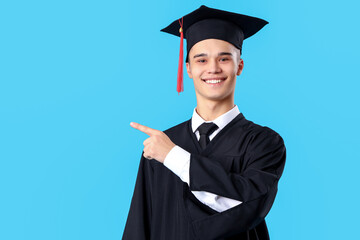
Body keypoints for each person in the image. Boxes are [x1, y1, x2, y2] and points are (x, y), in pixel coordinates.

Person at [123, 5, 286, 240]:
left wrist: (174, 158)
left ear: (239, 65)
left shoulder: (263, 143)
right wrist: (166, 153)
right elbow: (139, 227)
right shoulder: (160, 145)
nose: (213, 68)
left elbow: (247, 207)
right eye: (201, 60)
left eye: (224, 58)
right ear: (188, 69)